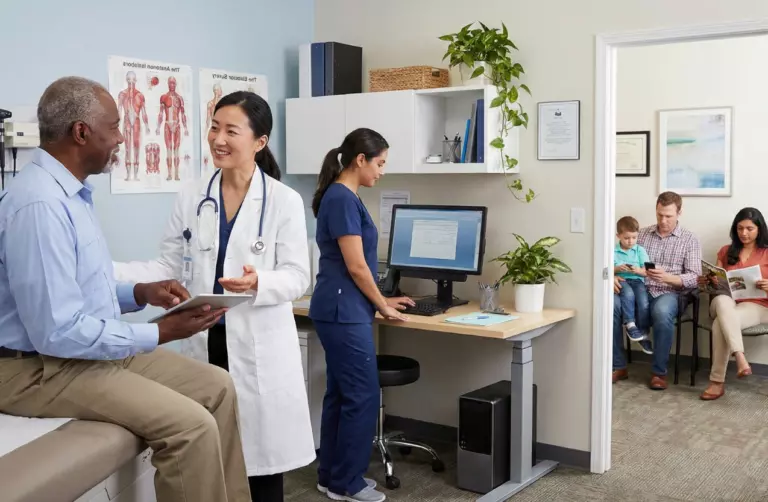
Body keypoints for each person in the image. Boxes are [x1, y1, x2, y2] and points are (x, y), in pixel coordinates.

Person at [0, 76, 250, 502]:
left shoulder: (73, 196)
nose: (121, 137)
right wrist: (161, 332)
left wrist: (140, 293)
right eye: (114, 127)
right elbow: (57, 330)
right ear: (81, 132)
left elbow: (81, 288)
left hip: (78, 355)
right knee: (190, 426)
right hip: (36, 369)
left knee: (218, 386)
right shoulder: (40, 205)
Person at [113, 91, 315, 502]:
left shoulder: (283, 201)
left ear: (259, 142)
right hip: (200, 343)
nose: (218, 139)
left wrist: (261, 282)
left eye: (231, 131)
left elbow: (298, 278)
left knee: (260, 472)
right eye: (214, 128)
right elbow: (167, 265)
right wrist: (108, 273)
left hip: (257, 346)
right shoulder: (192, 195)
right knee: (205, 463)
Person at [309, 128, 414, 502]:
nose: (382, 171)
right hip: (342, 310)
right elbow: (355, 267)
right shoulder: (341, 198)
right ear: (360, 160)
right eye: (380, 163)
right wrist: (383, 304)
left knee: (340, 394)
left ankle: (331, 476)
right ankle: (347, 484)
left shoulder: (346, 196)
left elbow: (360, 266)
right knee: (362, 395)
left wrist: (385, 298)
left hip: (345, 307)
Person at [612, 191, 701, 389]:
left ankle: (659, 373)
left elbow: (695, 277)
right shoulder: (640, 234)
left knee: (661, 311)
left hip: (669, 292)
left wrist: (668, 278)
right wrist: (612, 276)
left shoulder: (689, 239)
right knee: (612, 305)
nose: (663, 220)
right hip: (636, 287)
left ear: (679, 213)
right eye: (659, 214)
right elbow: (614, 256)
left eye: (668, 216)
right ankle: (618, 365)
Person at [697, 208, 768, 400]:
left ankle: (716, 382)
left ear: (759, 229)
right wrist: (708, 282)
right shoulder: (726, 251)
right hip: (724, 301)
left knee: (720, 323)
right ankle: (740, 355)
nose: (744, 233)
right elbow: (716, 286)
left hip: (756, 305)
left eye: (749, 229)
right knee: (721, 300)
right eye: (739, 228)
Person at [614, 215, 651, 342]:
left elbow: (648, 272)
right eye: (626, 238)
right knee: (628, 294)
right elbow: (606, 270)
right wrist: (617, 269)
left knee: (643, 302)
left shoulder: (640, 250)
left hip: (637, 280)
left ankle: (643, 334)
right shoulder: (612, 251)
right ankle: (630, 325)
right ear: (618, 236)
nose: (630, 241)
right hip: (621, 280)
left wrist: (638, 270)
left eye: (634, 237)